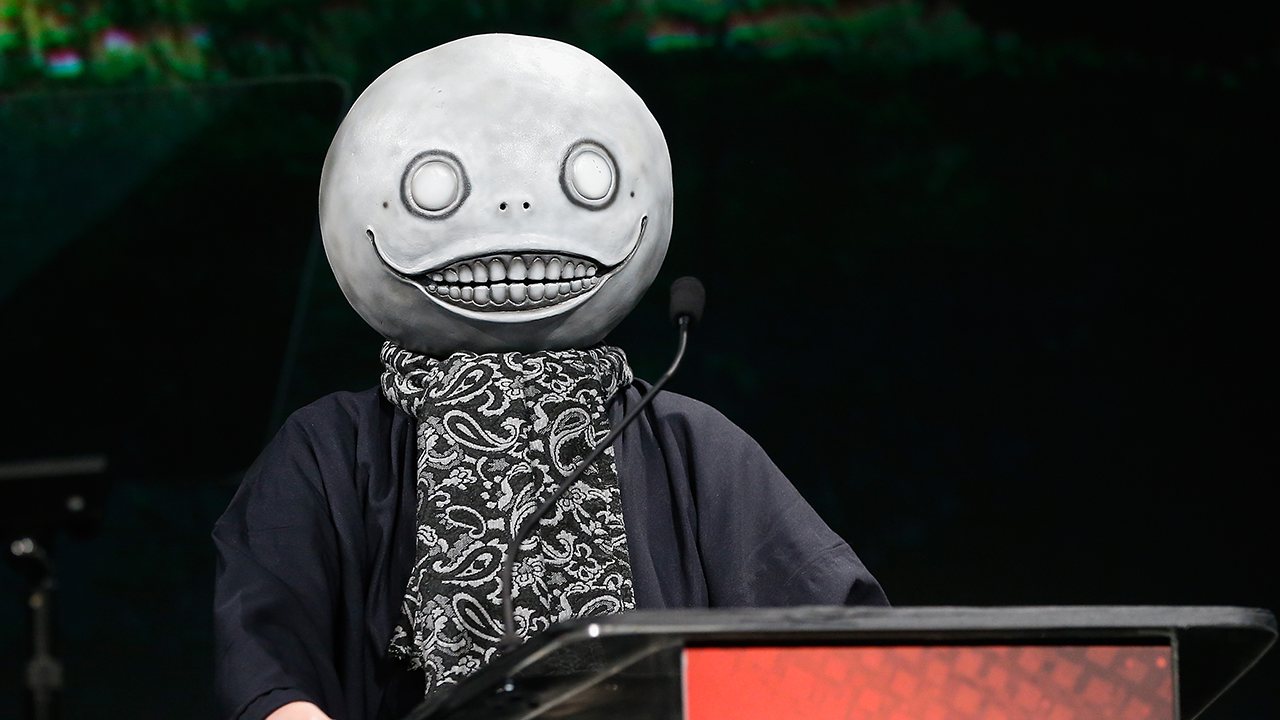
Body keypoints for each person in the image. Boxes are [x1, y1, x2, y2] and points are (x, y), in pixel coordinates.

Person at [213, 34, 887, 720]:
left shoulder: (690, 446)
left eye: (586, 177)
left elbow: (844, 643)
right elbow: (267, 649)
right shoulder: (332, 449)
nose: (516, 209)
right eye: (434, 185)